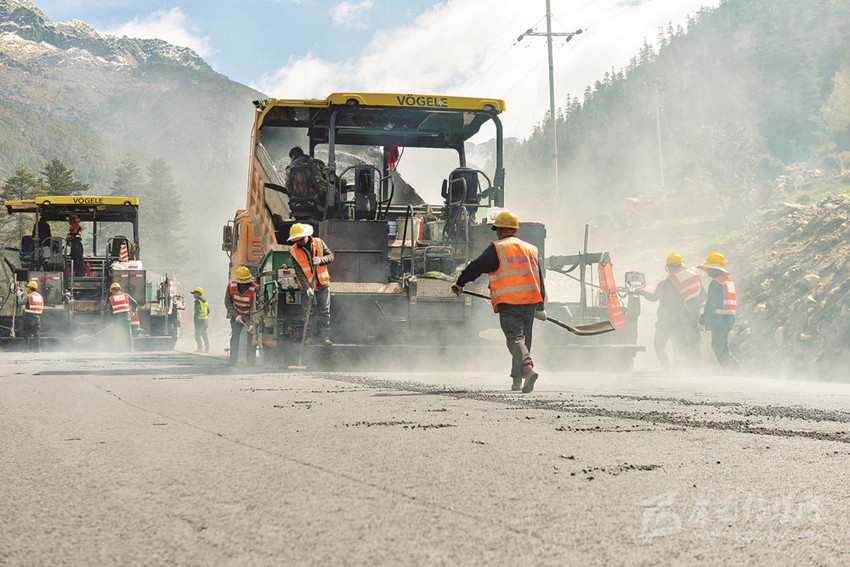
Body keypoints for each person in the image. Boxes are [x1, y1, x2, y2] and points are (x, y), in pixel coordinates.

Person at [451, 210, 546, 393]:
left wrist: (460, 282)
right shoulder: (531, 249)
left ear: (500, 230)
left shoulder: (498, 248)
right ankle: (517, 380)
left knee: (515, 339)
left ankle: (528, 369)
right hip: (530, 301)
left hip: (510, 302)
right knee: (524, 340)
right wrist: (541, 306)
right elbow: (539, 278)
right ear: (515, 229)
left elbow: (476, 266)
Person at [635, 252, 703, 371]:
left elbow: (653, 297)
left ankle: (666, 367)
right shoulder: (689, 282)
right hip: (680, 321)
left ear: (668, 267)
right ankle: (677, 370)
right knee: (677, 346)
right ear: (681, 265)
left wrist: (643, 292)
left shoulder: (665, 283)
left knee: (659, 346)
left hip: (664, 322)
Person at [287, 223, 334, 345]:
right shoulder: (293, 251)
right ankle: (309, 337)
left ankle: (325, 337)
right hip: (307, 286)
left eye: (301, 239)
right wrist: (307, 287)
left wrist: (321, 260)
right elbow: (299, 271)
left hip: (322, 284)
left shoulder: (319, 242)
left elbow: (331, 256)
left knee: (324, 311)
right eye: (297, 240)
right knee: (308, 313)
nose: (300, 242)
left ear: (306, 236)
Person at [698, 252, 740, 371]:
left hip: (719, 318)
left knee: (718, 345)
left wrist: (702, 320)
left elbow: (711, 304)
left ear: (715, 269)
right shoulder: (728, 281)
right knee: (722, 345)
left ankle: (732, 369)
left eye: (709, 269)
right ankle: (733, 369)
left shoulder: (715, 283)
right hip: (729, 318)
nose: (707, 271)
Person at [224, 265, 259, 365]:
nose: (243, 285)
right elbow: (228, 302)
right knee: (235, 337)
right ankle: (232, 361)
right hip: (236, 314)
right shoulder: (231, 286)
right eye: (241, 283)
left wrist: (252, 323)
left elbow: (255, 307)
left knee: (251, 338)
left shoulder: (255, 288)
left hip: (250, 315)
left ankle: (251, 363)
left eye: (245, 282)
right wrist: (236, 315)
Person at [106, 282, 137, 351]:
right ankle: (130, 349)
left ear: (112, 290)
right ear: (119, 289)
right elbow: (135, 303)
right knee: (128, 333)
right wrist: (133, 311)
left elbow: (110, 312)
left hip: (117, 319)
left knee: (117, 334)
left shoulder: (111, 298)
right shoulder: (126, 295)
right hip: (126, 317)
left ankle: (118, 349)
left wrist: (109, 321)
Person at [17, 280, 44, 352]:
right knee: (36, 334)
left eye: (28, 288)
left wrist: (19, 296)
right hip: (37, 318)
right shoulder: (40, 296)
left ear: (29, 288)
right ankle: (37, 349)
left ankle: (26, 349)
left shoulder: (29, 296)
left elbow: (20, 303)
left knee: (27, 332)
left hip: (29, 317)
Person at [191, 286, 210, 353]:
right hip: (205, 321)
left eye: (195, 293)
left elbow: (197, 311)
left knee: (197, 335)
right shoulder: (205, 301)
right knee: (204, 335)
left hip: (199, 321)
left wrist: (195, 320)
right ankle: (207, 349)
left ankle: (200, 349)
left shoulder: (197, 301)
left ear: (199, 293)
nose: (194, 295)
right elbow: (208, 311)